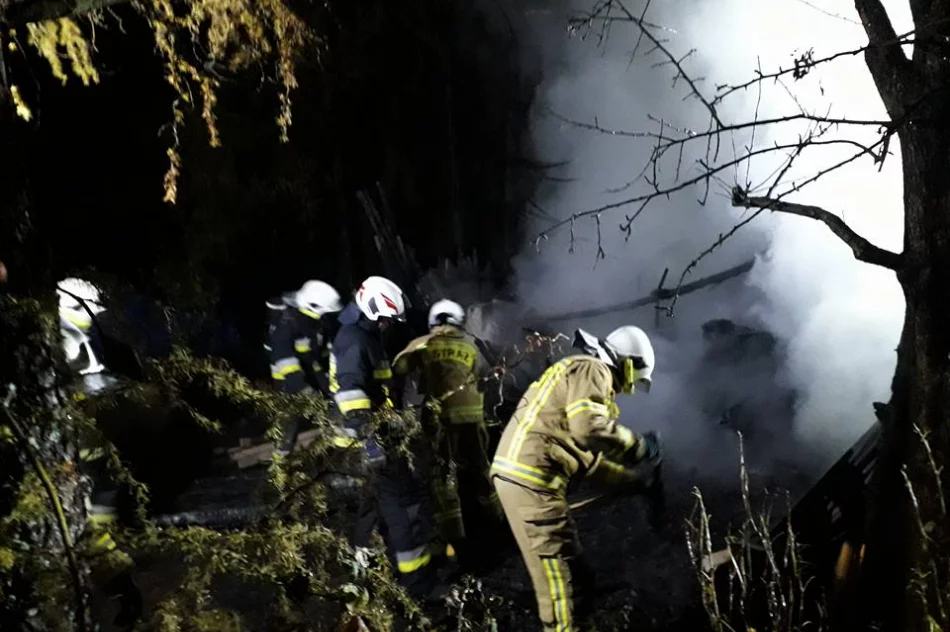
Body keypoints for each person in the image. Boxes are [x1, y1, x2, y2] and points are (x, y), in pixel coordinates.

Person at [490, 325, 663, 632]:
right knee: (561, 584)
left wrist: (632, 482)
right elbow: (588, 428)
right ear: (626, 363)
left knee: (578, 576)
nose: (626, 389)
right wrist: (638, 447)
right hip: (533, 481)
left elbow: (588, 460)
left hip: (527, 477)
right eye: (632, 380)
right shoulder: (593, 368)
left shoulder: (578, 375)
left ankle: (577, 619)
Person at [329, 276, 441, 601]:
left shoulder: (365, 338)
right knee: (403, 506)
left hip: (366, 442)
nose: (389, 326)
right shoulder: (356, 341)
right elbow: (352, 398)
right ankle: (417, 587)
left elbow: (379, 393)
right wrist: (372, 442)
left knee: (370, 509)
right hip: (367, 444)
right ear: (373, 313)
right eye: (387, 320)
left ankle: (360, 577)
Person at [393, 298, 504, 572]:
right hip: (472, 419)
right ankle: (498, 524)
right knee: (479, 471)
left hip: (440, 420)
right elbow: (486, 376)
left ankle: (457, 537)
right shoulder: (471, 344)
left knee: (444, 477)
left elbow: (398, 367)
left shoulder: (423, 343)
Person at [56, 277, 142, 629]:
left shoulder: (80, 338)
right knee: (87, 524)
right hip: (72, 456)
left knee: (96, 520)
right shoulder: (62, 340)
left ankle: (120, 590)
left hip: (84, 455)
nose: (92, 318)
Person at [265, 279, 343, 457]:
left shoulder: (313, 322)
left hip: (310, 372)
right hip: (287, 382)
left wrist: (328, 384)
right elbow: (284, 361)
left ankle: (338, 450)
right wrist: (304, 389)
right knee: (288, 425)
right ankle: (281, 466)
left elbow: (316, 354)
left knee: (330, 406)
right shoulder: (288, 324)